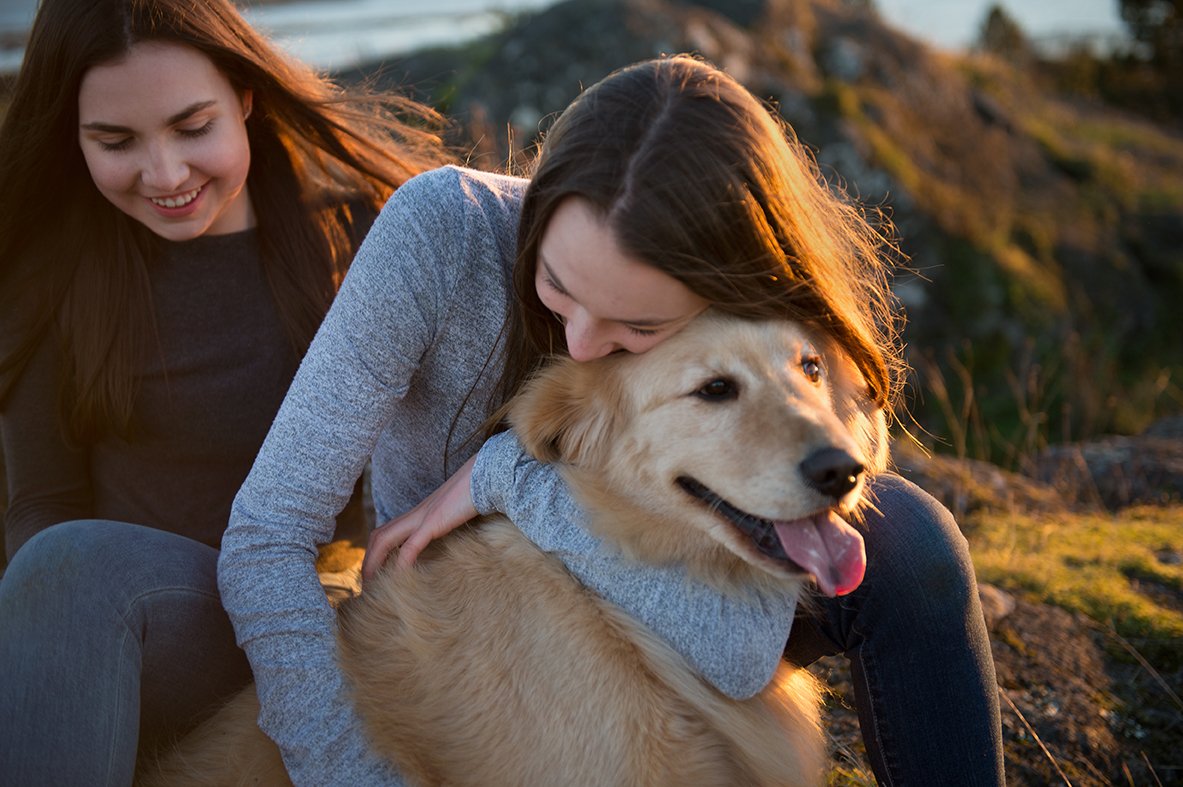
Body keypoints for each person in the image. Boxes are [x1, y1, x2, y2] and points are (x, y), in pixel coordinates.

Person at [220, 54, 1005, 785]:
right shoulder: (442, 235)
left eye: (637, 326)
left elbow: (848, 435)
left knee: (910, 541)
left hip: (678, 561)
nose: (583, 342)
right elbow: (267, 532)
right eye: (556, 285)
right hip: (499, 621)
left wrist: (503, 478)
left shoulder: (759, 296)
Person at [0, 0, 447, 782]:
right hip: (152, 628)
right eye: (115, 142)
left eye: (192, 126)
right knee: (63, 560)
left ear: (243, 93)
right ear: (71, 137)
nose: (165, 174)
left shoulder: (362, 235)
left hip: (324, 608)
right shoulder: (56, 275)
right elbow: (41, 506)